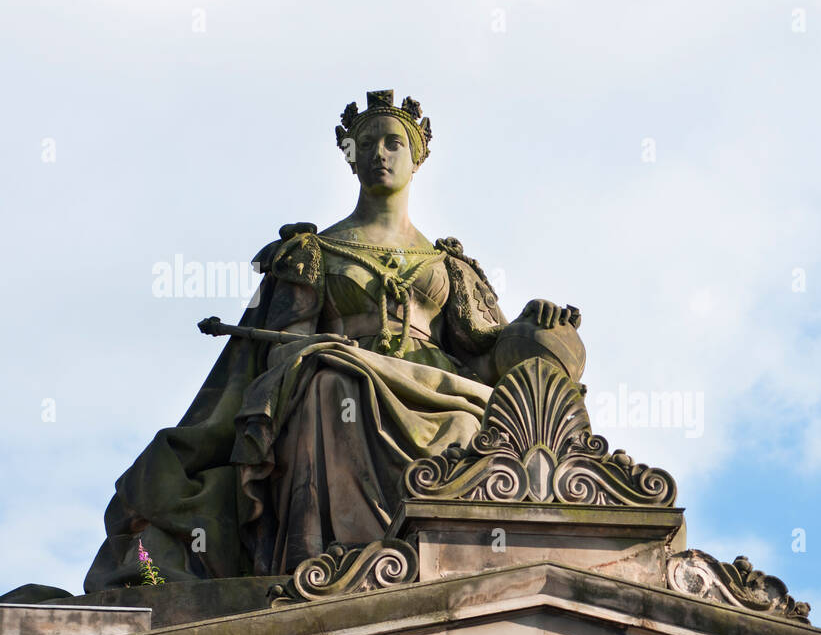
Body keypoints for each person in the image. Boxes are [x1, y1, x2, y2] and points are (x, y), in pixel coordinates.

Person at [83, 90, 584, 590]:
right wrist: (327, 350)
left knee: (462, 421)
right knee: (329, 387)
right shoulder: (313, 251)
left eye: (393, 144)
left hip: (437, 389)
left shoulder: (449, 265)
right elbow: (285, 349)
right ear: (351, 157)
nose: (380, 154)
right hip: (340, 374)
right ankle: (333, 567)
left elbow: (489, 355)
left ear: (416, 160)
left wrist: (535, 325)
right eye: (366, 144)